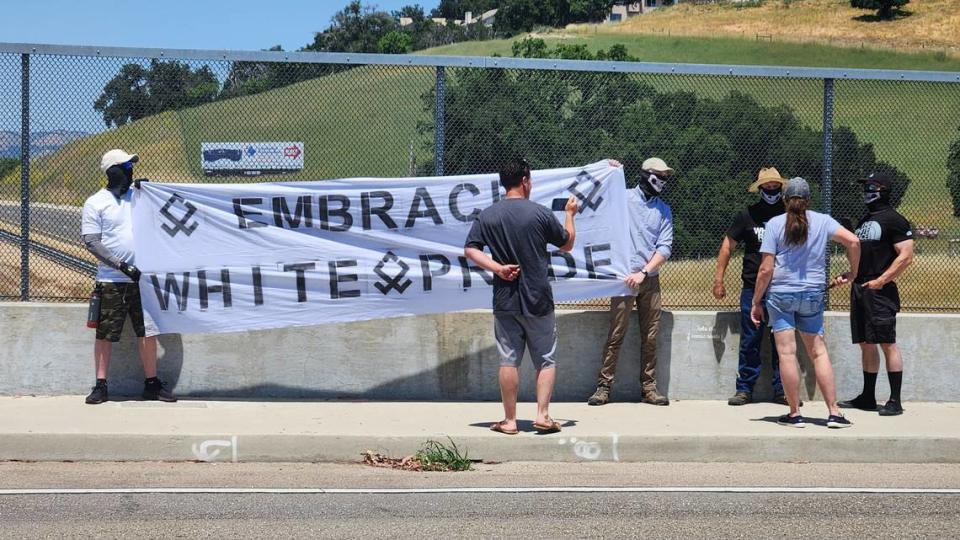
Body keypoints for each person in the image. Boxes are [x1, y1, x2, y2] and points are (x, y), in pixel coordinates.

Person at [464, 157, 577, 435]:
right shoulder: (539, 213)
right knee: (545, 359)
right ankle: (543, 414)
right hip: (538, 298)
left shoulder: (488, 215)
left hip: (505, 299)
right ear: (525, 181)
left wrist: (498, 268)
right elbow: (567, 244)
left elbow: (470, 249)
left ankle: (510, 420)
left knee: (508, 360)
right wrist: (571, 214)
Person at [751, 177, 860, 428]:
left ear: (784, 199)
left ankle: (794, 413)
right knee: (818, 352)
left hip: (781, 294)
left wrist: (757, 301)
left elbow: (766, 269)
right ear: (809, 200)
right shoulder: (822, 221)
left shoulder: (775, 224)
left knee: (787, 354)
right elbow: (853, 241)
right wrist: (853, 272)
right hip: (812, 293)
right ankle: (834, 412)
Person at [81, 149, 175, 405]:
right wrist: (121, 265)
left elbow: (165, 213)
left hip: (143, 280)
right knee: (105, 333)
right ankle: (101, 385)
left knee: (148, 332)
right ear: (113, 171)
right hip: (112, 280)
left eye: (131, 167)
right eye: (125, 167)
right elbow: (92, 242)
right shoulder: (95, 202)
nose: (130, 171)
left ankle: (152, 384)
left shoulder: (139, 197)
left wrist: (151, 191)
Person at [587, 157, 673, 407]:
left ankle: (649, 388)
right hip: (623, 280)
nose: (664, 181)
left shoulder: (664, 210)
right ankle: (603, 387)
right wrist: (604, 168)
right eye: (660, 175)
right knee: (616, 334)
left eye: (667, 177)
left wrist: (645, 272)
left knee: (651, 336)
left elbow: (665, 248)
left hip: (649, 280)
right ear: (647, 175)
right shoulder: (622, 199)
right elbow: (593, 197)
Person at [838, 172, 914, 416]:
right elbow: (861, 255)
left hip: (881, 293)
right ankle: (868, 397)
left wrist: (882, 280)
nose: (866, 191)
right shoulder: (864, 220)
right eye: (865, 187)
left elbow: (906, 256)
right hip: (860, 289)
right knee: (865, 343)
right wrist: (851, 274)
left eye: (870, 186)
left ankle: (895, 400)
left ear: (882, 190)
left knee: (886, 343)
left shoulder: (895, 220)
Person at [714, 167, 788, 406]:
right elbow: (728, 246)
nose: (771, 189)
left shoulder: (789, 214)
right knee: (750, 340)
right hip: (751, 286)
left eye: (775, 185)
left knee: (782, 340)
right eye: (766, 185)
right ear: (759, 188)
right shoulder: (747, 215)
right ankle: (744, 389)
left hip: (782, 287)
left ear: (781, 187)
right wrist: (719, 279)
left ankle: (782, 389)